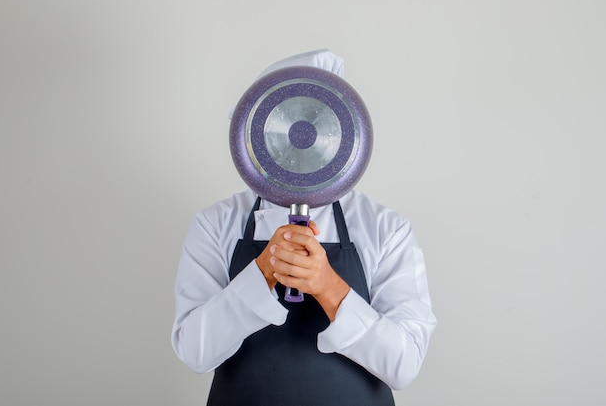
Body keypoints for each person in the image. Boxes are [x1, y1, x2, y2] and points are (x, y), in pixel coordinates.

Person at [171, 49, 436, 406]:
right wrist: (263, 271)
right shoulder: (216, 224)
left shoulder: (385, 229)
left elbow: (403, 366)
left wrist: (329, 287)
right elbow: (194, 352)